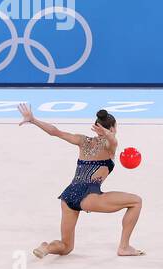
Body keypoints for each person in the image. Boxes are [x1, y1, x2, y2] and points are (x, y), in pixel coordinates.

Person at [19, 104, 145, 259]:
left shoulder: (82, 140)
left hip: (68, 196)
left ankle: (47, 247)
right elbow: (112, 141)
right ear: (112, 128)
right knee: (136, 202)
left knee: (66, 247)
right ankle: (124, 247)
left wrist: (33, 120)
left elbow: (55, 132)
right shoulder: (109, 146)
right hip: (89, 196)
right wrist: (109, 135)